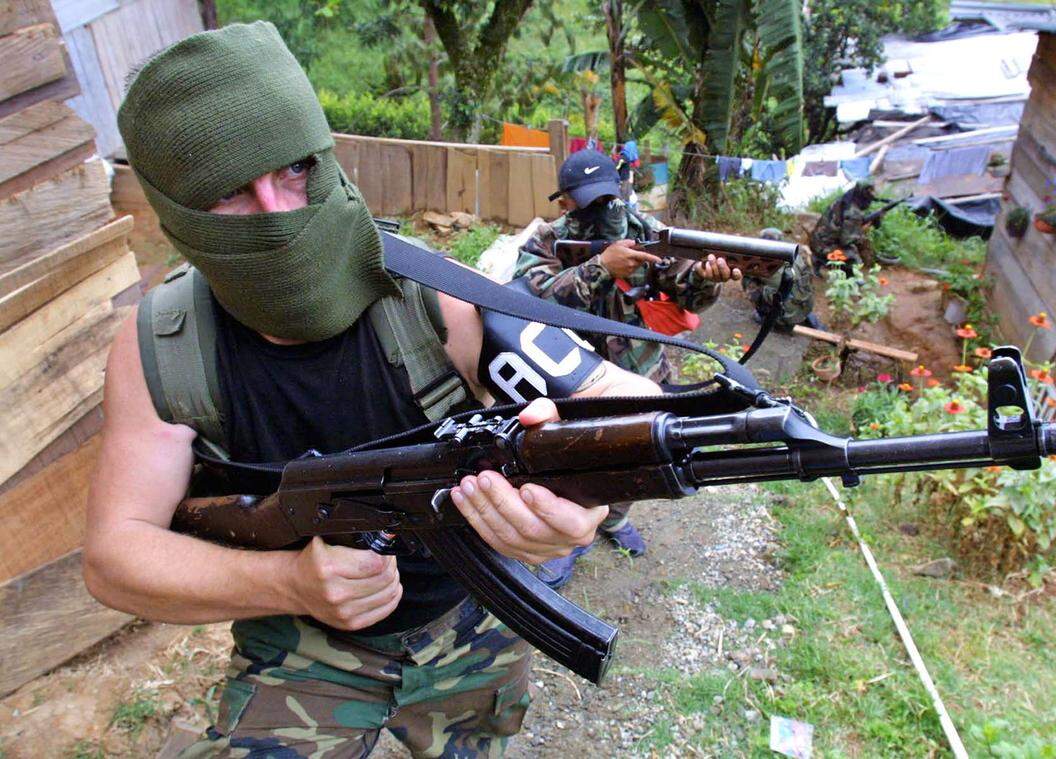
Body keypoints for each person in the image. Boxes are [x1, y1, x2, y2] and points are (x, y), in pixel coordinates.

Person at [83, 23, 659, 758]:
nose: (278, 211)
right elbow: (113, 553)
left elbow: (617, 399)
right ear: (177, 220)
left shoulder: (433, 293)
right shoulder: (161, 346)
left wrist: (585, 498)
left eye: (295, 169)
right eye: (230, 192)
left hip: (469, 617)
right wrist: (291, 582)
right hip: (302, 641)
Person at [513, 149, 741, 588]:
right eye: (589, 201)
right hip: (569, 377)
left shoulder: (646, 232)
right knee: (571, 456)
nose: (604, 209)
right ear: (565, 203)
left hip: (640, 372)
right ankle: (571, 536)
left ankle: (613, 519)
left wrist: (708, 278)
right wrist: (601, 267)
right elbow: (528, 301)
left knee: (634, 453)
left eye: (608, 197)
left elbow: (686, 293)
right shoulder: (546, 239)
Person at [743, 228, 824, 332]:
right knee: (795, 286)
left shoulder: (760, 262)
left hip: (785, 318)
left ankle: (769, 318)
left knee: (749, 280)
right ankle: (801, 314)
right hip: (805, 306)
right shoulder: (797, 255)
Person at [809, 180, 878, 275]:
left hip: (816, 240)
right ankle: (823, 261)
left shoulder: (845, 200)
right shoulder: (853, 212)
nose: (873, 194)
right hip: (824, 245)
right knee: (854, 258)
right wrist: (863, 230)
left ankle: (818, 259)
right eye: (870, 191)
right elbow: (846, 240)